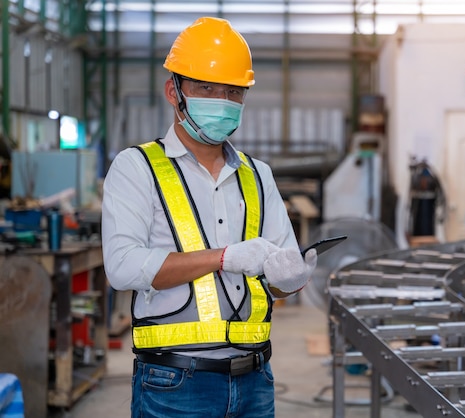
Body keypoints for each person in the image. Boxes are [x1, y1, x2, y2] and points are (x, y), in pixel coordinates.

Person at [101, 16, 317, 418]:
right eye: (205, 87)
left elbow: (276, 282)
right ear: (173, 91)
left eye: (233, 91)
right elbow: (122, 267)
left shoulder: (258, 176)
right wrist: (223, 258)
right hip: (174, 384)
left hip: (255, 381)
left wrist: (290, 279)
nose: (221, 100)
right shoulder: (137, 168)